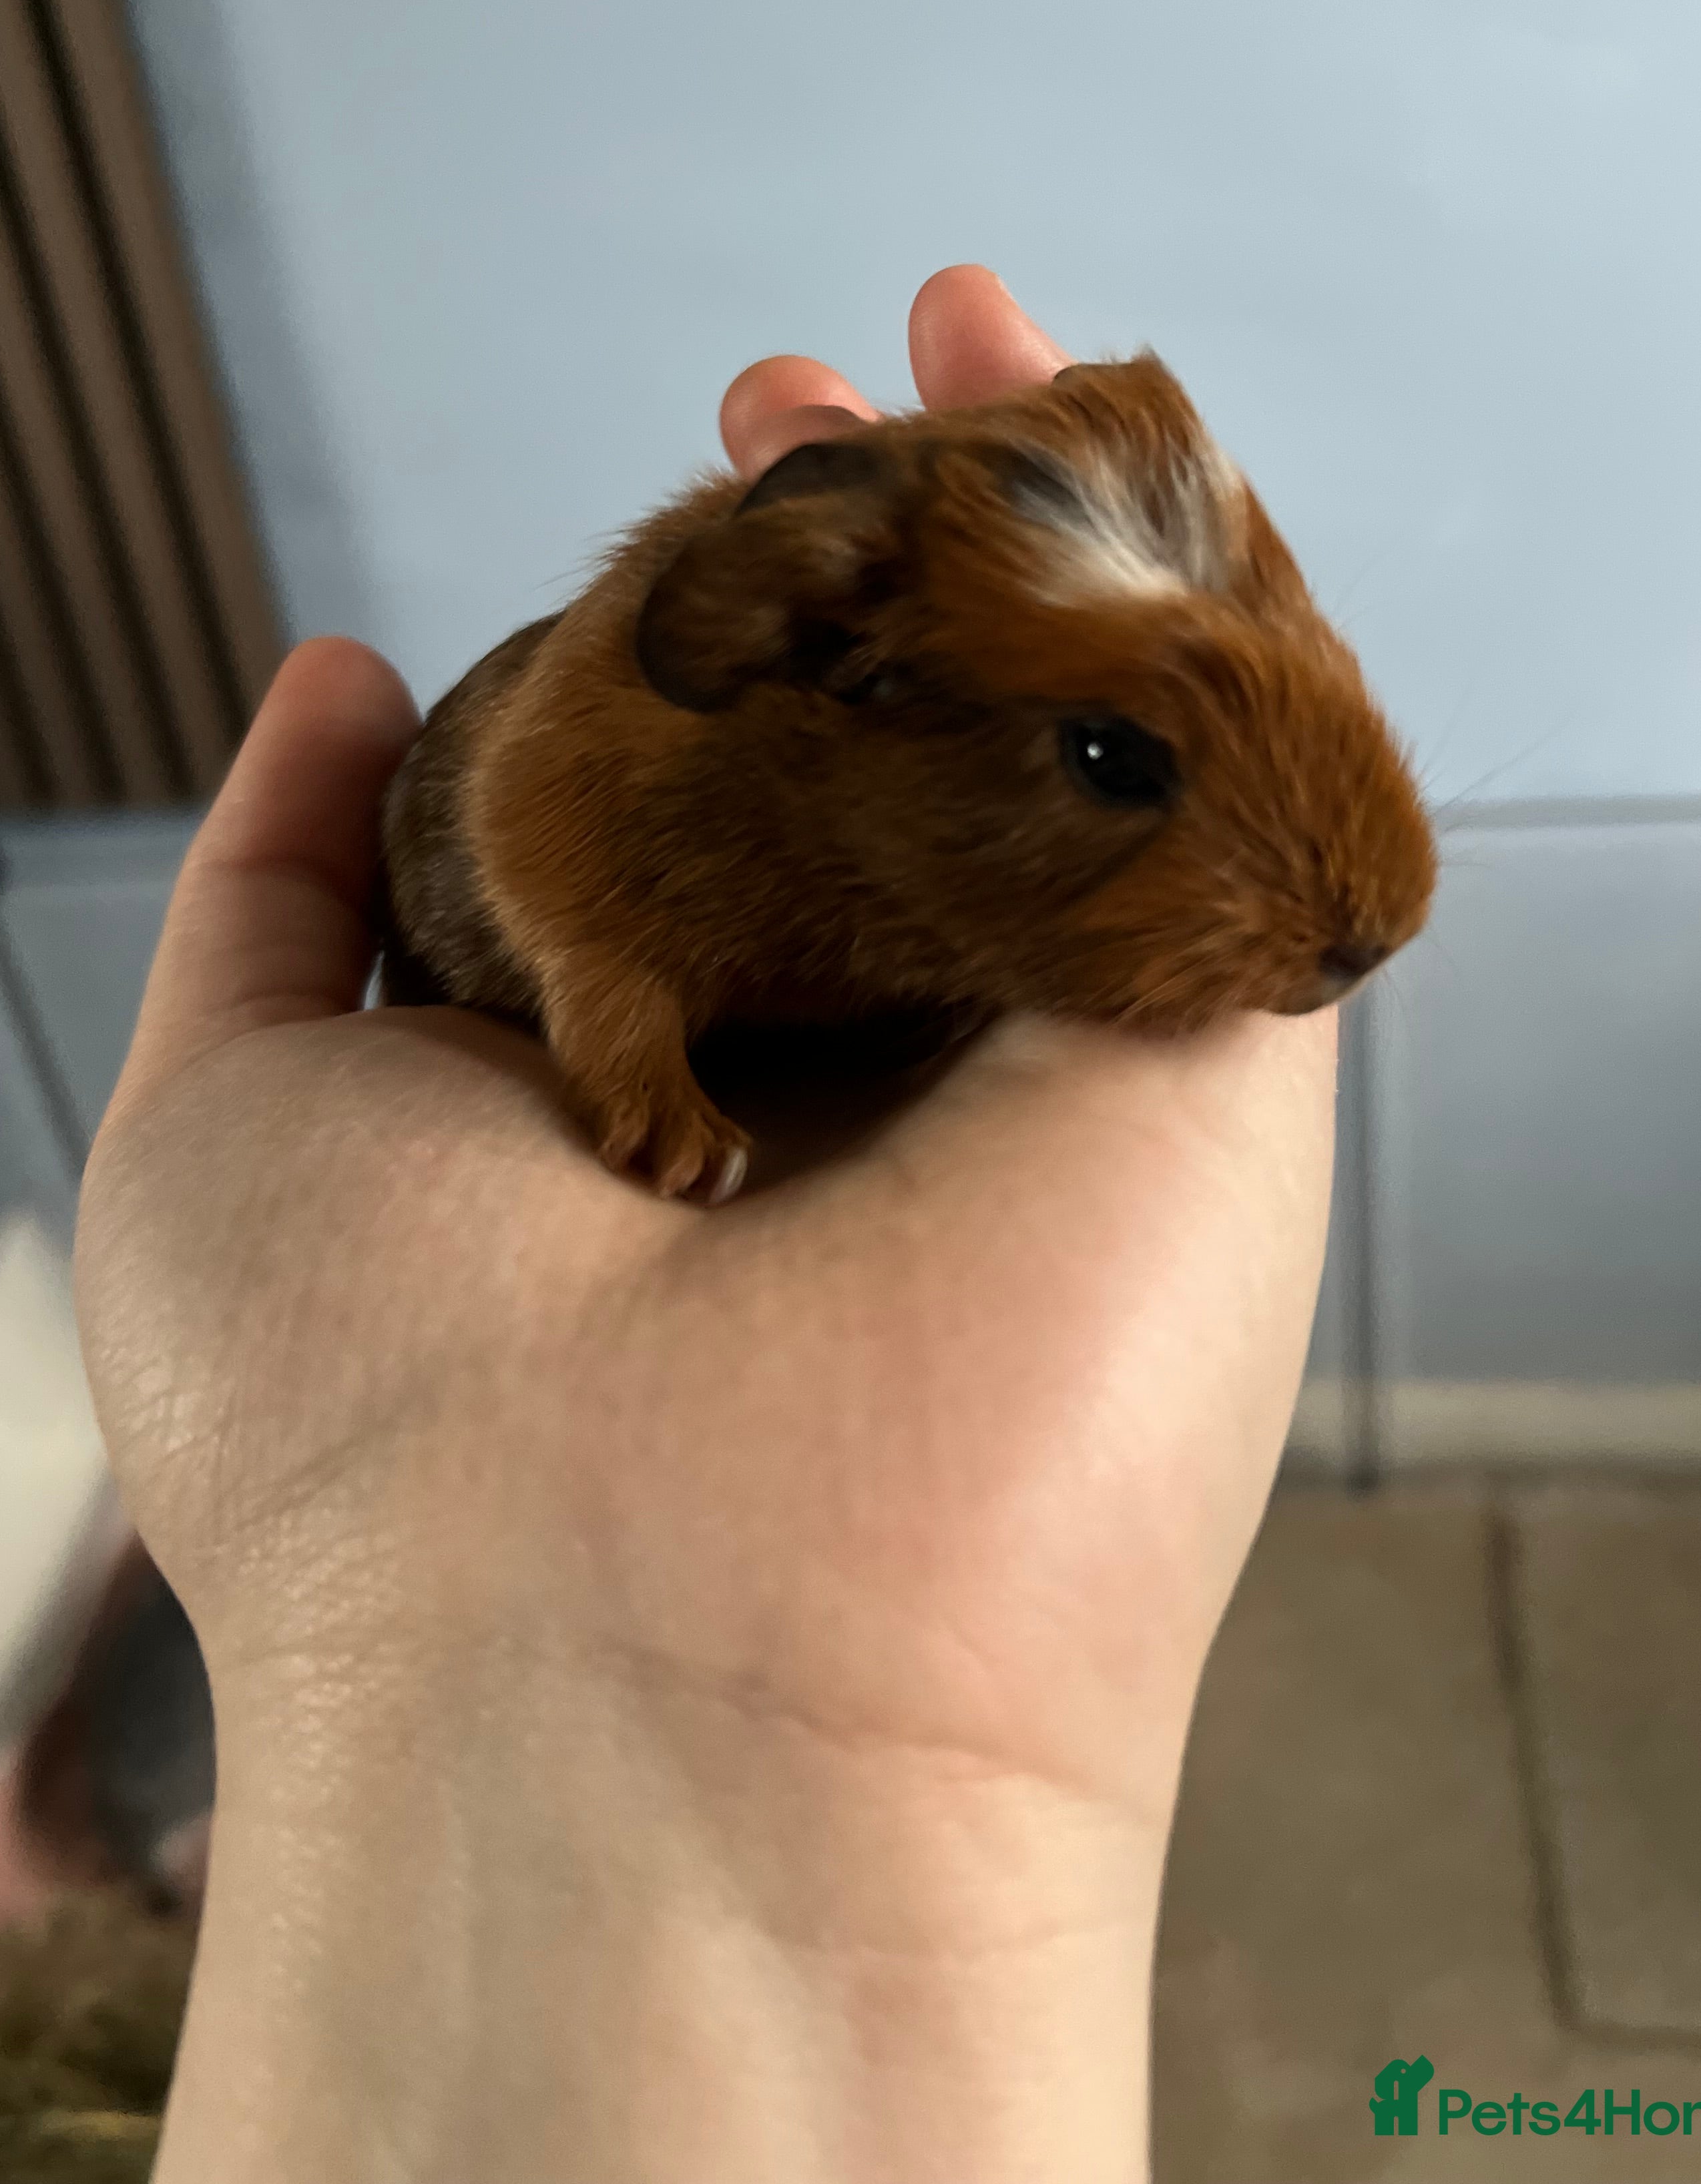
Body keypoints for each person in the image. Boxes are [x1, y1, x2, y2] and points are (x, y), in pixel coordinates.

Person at [75, 264, 1338, 2182]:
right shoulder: (644, 756)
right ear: (821, 654)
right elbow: (546, 846)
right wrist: (624, 1033)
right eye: (1116, 764)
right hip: (524, 986)